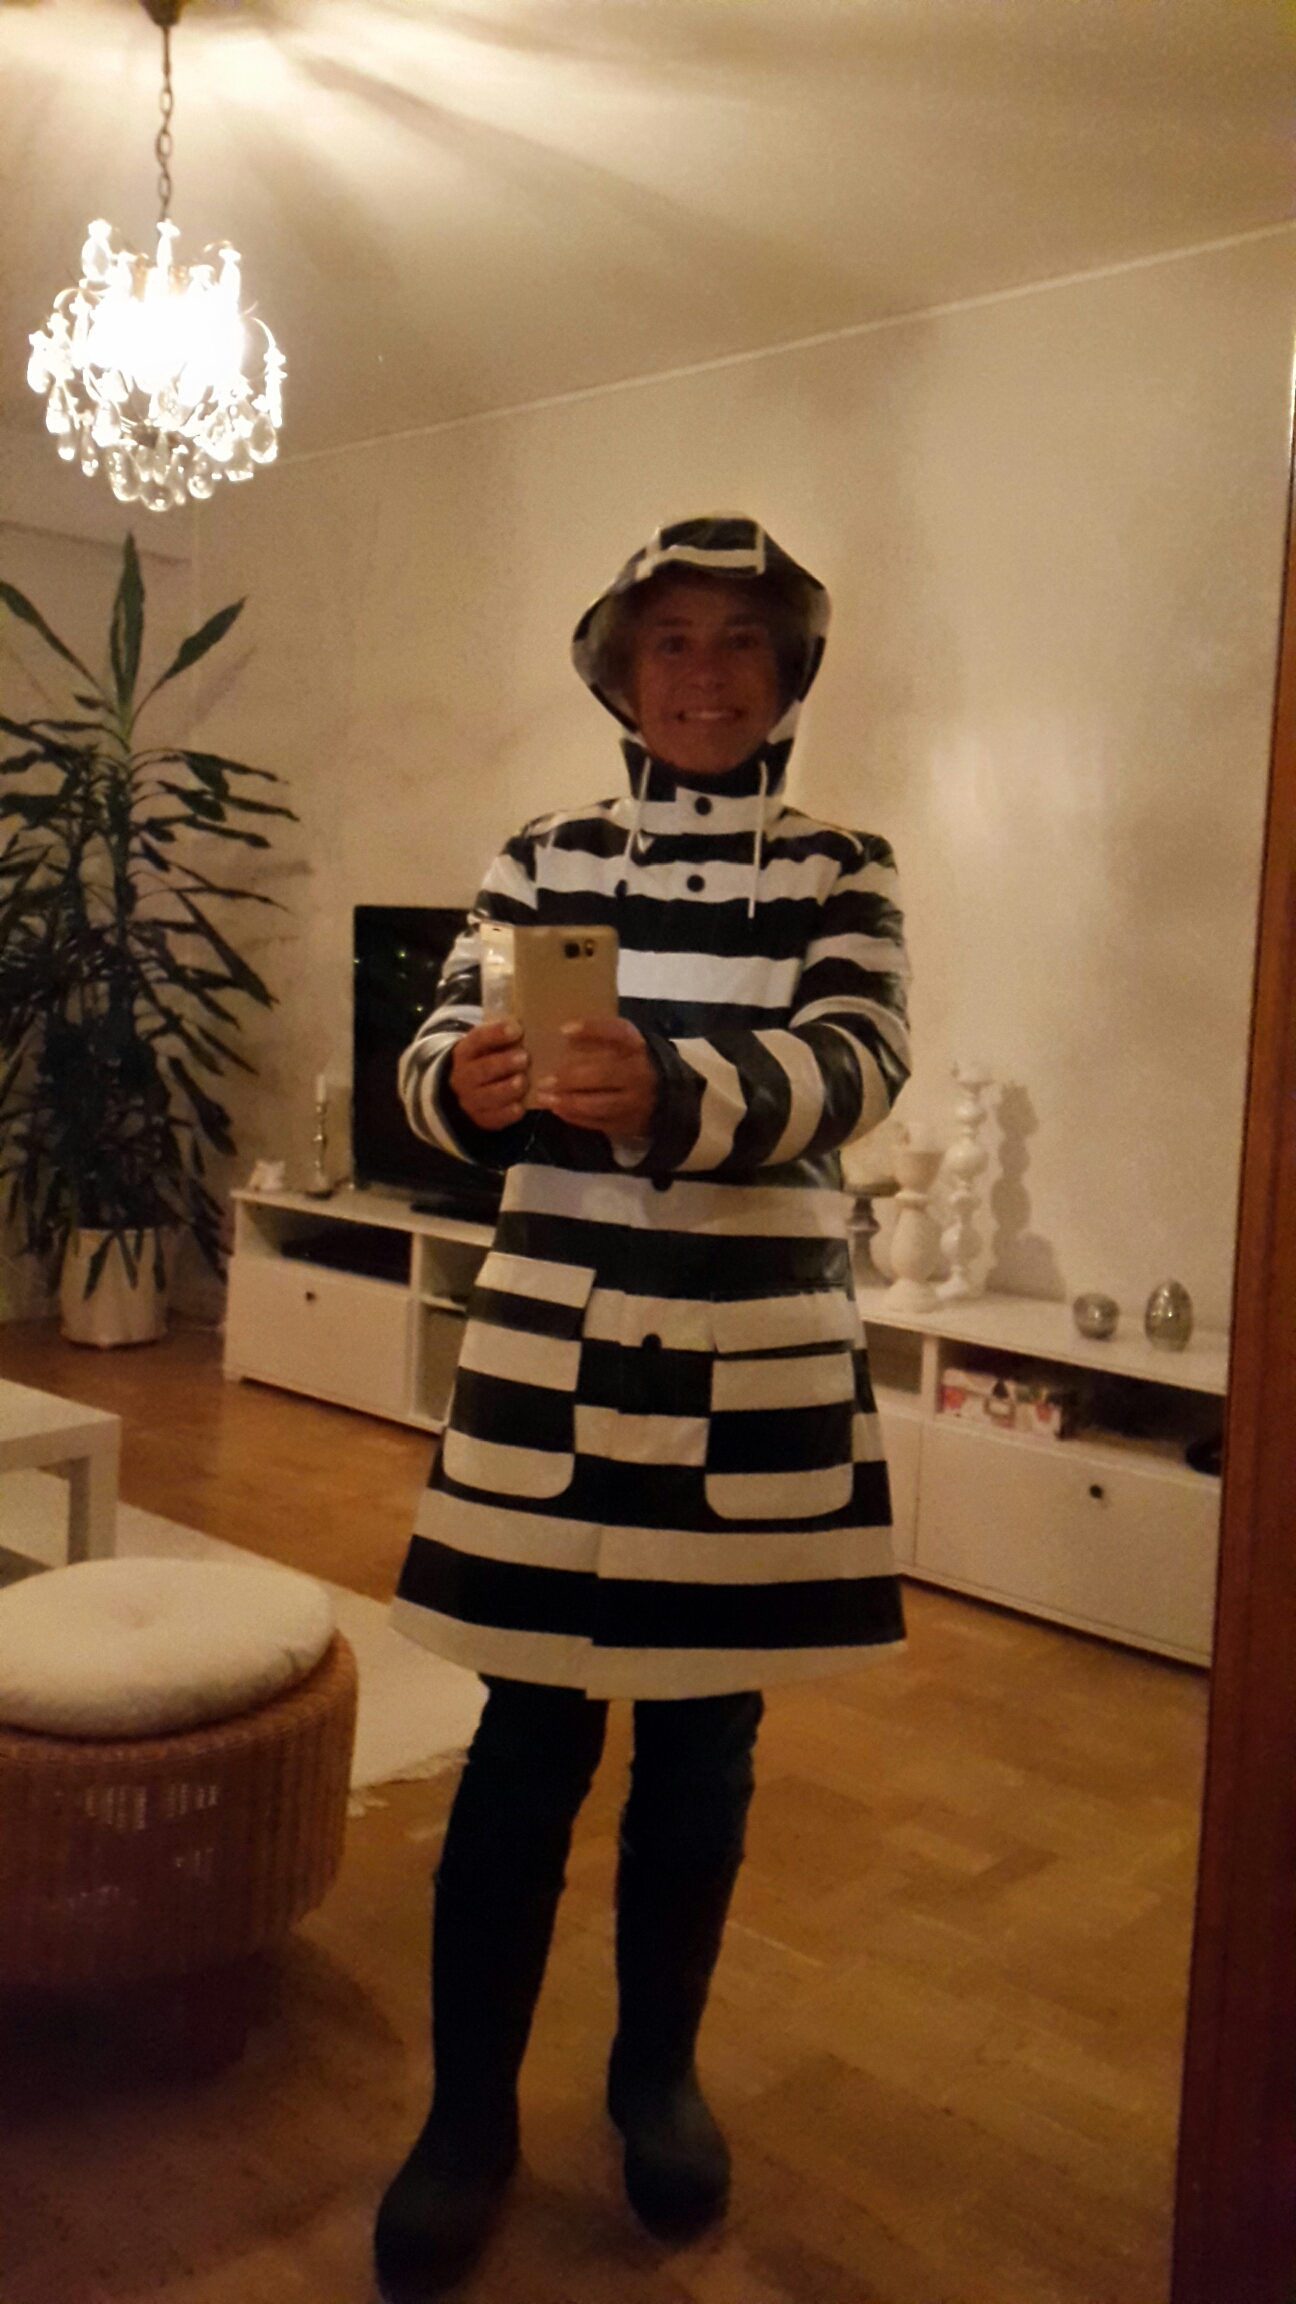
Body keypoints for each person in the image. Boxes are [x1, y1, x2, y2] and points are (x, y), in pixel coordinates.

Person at [374, 514, 912, 2302]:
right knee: (523, 1741)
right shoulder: (539, 856)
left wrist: (675, 1091)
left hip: (755, 1352)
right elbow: (432, 1052)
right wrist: (462, 1083)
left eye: (740, 640)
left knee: (703, 1740)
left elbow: (861, 1062)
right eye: (670, 638)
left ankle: (654, 2076)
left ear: (789, 673)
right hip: (555, 1345)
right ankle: (466, 2120)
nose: (703, 673)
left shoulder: (845, 864)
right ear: (617, 668)